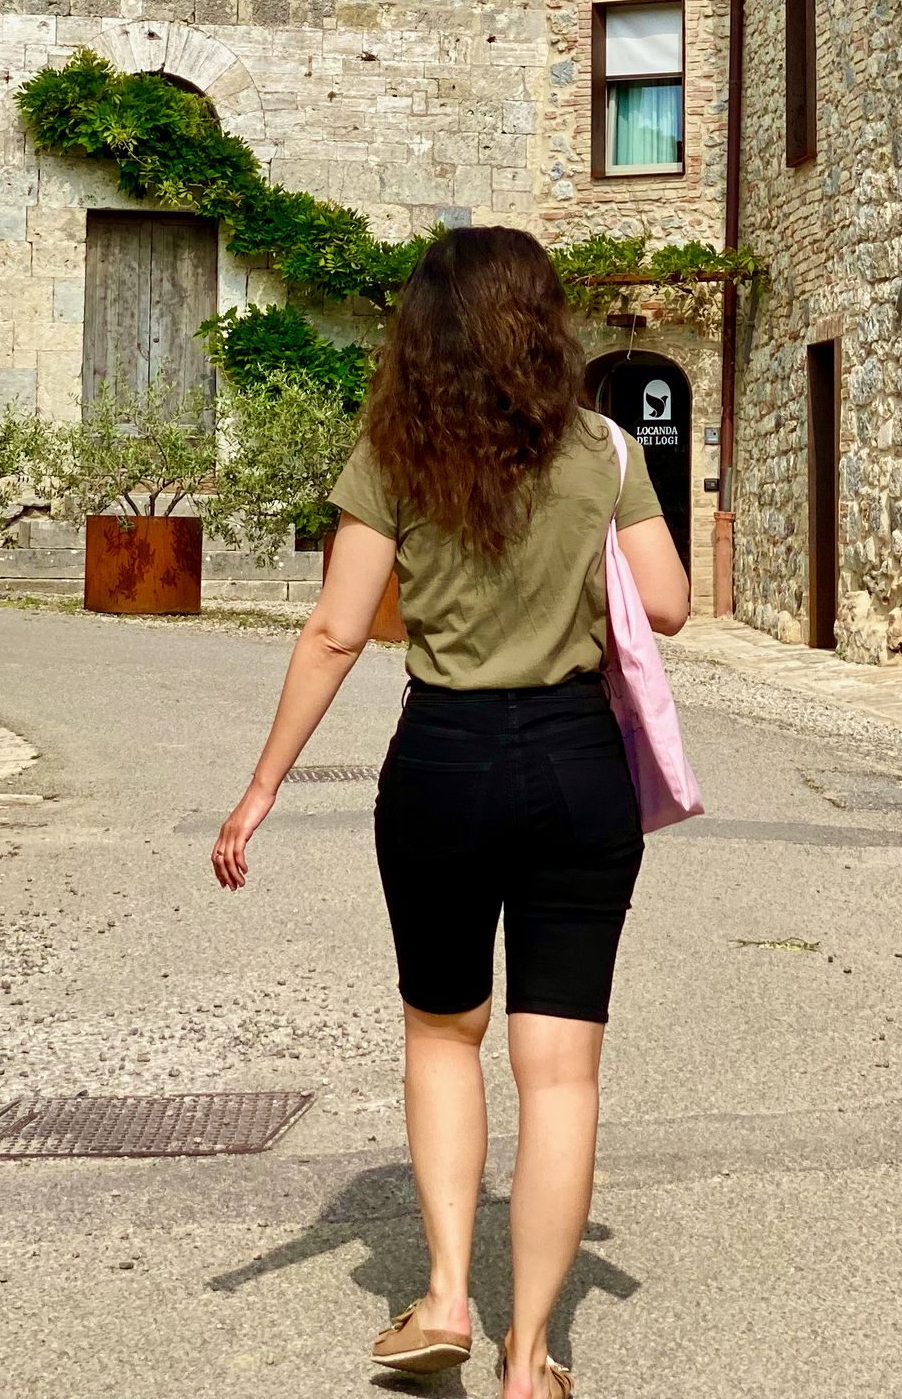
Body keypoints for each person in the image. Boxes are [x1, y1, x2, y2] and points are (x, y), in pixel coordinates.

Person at [212, 225, 691, 1399]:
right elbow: (670, 607)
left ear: (421, 331)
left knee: (442, 1034)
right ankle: (531, 1360)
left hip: (442, 761)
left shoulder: (392, 454)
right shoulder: (606, 450)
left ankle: (441, 1299)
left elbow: (334, 630)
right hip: (579, 765)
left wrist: (263, 785)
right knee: (561, 1070)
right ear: (542, 323)